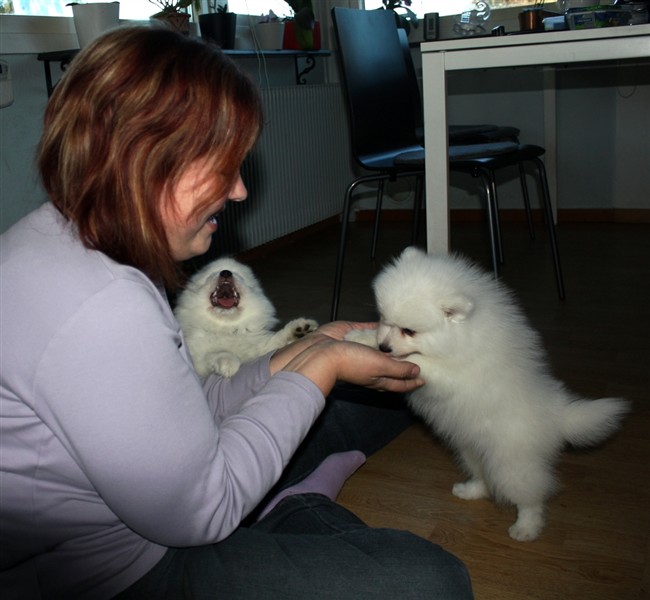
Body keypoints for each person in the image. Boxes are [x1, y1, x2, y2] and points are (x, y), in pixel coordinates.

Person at [0, 26, 473, 600]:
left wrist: (304, 353)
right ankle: (298, 507)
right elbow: (202, 513)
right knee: (432, 584)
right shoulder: (101, 307)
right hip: (125, 574)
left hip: (169, 498)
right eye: (224, 167)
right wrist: (319, 369)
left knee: (388, 395)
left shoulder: (64, 241)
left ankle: (284, 500)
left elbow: (181, 409)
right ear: (148, 161)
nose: (241, 191)